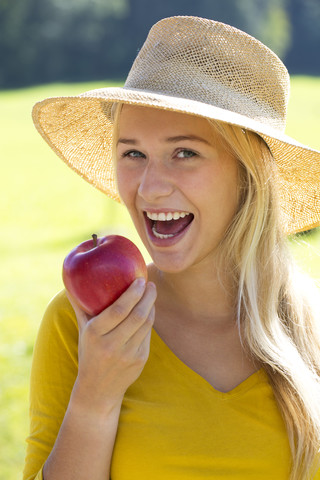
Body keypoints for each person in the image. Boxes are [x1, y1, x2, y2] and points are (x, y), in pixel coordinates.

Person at [23, 15, 320, 480]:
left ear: (248, 175)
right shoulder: (84, 324)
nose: (150, 188)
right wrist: (95, 395)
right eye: (132, 153)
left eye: (185, 153)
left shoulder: (312, 324)